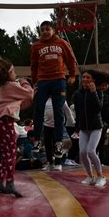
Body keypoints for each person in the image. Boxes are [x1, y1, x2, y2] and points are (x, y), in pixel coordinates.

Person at [0, 51, 33, 197]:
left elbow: (20, 104)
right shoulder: (11, 85)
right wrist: (25, 82)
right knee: (11, 153)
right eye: (14, 71)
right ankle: (10, 183)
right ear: (8, 73)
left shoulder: (6, 86)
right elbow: (29, 94)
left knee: (7, 154)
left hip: (1, 122)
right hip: (5, 121)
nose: (15, 74)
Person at [30, 20, 76, 160]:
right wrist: (34, 83)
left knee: (58, 111)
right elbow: (33, 65)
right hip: (43, 81)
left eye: (47, 29)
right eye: (42, 30)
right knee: (39, 108)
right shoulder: (36, 46)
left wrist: (72, 74)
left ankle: (58, 143)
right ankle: (37, 140)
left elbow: (70, 59)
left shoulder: (62, 43)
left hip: (58, 80)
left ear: (53, 30)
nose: (44, 32)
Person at [73, 69, 109, 188]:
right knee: (82, 152)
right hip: (83, 128)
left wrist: (93, 92)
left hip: (96, 127)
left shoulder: (98, 91)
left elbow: (99, 108)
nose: (85, 79)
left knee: (91, 151)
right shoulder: (78, 94)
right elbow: (78, 113)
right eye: (83, 77)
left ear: (93, 80)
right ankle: (90, 176)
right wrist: (76, 128)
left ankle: (101, 176)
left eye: (88, 77)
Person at [42, 97, 75, 172]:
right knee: (48, 145)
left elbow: (67, 111)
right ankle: (50, 163)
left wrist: (72, 121)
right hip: (47, 125)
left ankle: (58, 163)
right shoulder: (45, 99)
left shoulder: (61, 99)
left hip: (58, 126)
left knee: (58, 145)